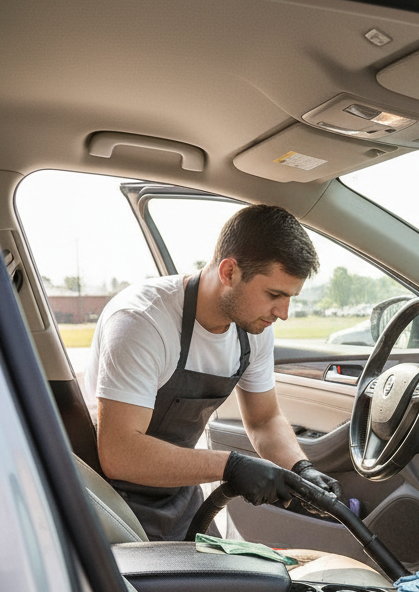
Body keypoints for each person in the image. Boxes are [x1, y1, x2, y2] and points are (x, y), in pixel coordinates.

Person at [83, 204, 339, 541]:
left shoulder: (254, 328)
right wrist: (230, 466)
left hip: (179, 496)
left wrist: (300, 469)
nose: (283, 312)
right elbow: (120, 453)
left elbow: (263, 420)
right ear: (229, 272)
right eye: (274, 294)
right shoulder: (143, 321)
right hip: (109, 504)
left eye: (290, 297)